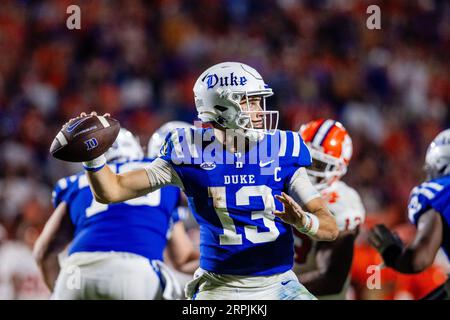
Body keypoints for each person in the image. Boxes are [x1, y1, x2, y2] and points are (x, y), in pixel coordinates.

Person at [71, 62, 339, 300]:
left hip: (280, 284)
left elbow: (329, 227)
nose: (260, 111)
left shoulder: (282, 147)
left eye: (259, 101)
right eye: (250, 101)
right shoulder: (188, 152)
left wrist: (303, 221)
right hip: (220, 288)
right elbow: (113, 190)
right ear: (221, 107)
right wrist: (93, 158)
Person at [34, 128, 198, 299]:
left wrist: (61, 291)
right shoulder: (161, 175)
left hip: (76, 272)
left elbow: (43, 251)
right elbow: (184, 258)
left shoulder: (77, 182)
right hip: (134, 271)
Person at [369, 128, 450, 299]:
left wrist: (391, 253)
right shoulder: (372, 265)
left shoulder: (438, 192)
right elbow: (373, 289)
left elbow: (418, 259)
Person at [292, 119, 365, 299]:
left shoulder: (341, 206)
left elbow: (331, 279)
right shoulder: (280, 180)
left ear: (338, 169)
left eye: (317, 164)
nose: (307, 168)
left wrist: (270, 291)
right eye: (304, 157)